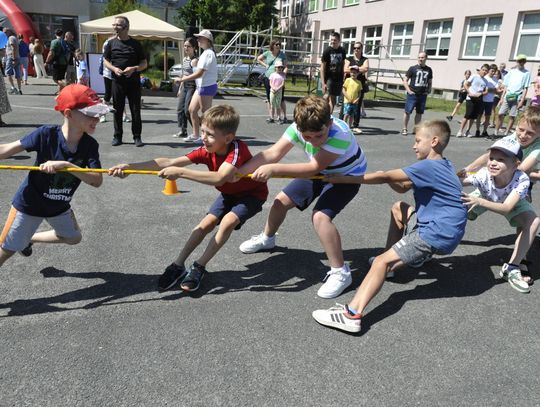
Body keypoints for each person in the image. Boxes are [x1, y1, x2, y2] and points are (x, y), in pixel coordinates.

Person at [312, 120, 467, 333]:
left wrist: (344, 179)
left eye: (418, 141)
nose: (414, 146)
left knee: (380, 263)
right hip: (447, 230)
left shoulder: (427, 166)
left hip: (435, 232)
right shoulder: (444, 165)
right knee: (398, 208)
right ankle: (391, 268)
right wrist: (388, 177)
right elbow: (401, 188)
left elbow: (384, 177)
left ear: (434, 141)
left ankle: (352, 314)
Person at [108, 105, 268, 293]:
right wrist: (130, 167)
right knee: (204, 225)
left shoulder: (237, 149)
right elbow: (169, 162)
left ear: (228, 138)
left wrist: (181, 173)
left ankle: (199, 267)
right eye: (202, 131)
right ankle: (178, 265)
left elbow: (219, 177)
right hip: (229, 194)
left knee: (227, 222)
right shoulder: (206, 150)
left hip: (251, 195)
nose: (203, 137)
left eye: (210, 134)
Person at [238, 95, 367, 299]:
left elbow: (312, 167)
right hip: (318, 172)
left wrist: (273, 169)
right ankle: (267, 239)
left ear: (330, 123)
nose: (314, 141)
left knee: (320, 217)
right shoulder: (297, 128)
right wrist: (237, 172)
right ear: (299, 128)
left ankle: (341, 272)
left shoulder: (340, 134)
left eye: (319, 135)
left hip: (346, 176)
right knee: (280, 201)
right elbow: (272, 153)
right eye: (307, 137)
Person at [0, 84, 108, 268]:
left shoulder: (90, 145)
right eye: (90, 113)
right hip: (29, 204)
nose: (96, 118)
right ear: (68, 114)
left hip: (58, 206)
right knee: (6, 250)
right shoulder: (46, 134)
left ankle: (30, 238)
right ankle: (22, 239)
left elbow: (96, 180)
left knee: (73, 237)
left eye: (98, 113)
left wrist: (66, 166)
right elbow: (7, 149)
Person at [461, 138, 539, 294]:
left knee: (533, 221)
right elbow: (461, 181)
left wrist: (480, 202)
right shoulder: (484, 174)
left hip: (511, 202)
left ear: (516, 164)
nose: (493, 163)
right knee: (455, 208)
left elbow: (506, 208)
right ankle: (428, 245)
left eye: (501, 159)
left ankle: (512, 268)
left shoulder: (521, 179)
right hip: (485, 195)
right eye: (491, 158)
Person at [103, 15, 147, 147]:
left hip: (133, 82)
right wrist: (114, 68)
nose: (115, 27)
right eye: (114, 25)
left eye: (118, 25)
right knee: (117, 110)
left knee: (135, 110)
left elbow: (144, 63)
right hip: (117, 82)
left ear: (126, 27)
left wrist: (134, 68)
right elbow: (105, 60)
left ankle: (137, 137)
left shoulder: (136, 44)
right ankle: (117, 136)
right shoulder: (110, 43)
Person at [175, 29, 217, 143]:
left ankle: (207, 136)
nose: (197, 39)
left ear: (207, 40)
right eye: (198, 37)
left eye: (200, 38)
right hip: (201, 87)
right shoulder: (205, 53)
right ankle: (196, 134)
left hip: (207, 87)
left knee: (206, 113)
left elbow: (199, 73)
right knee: (191, 110)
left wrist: (182, 79)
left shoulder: (209, 53)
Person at [495, 55, 530, 137]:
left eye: (523, 61)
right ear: (517, 61)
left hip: (517, 97)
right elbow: (506, 86)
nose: (521, 62)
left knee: (512, 115)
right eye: (519, 61)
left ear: (525, 62)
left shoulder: (526, 73)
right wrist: (502, 98)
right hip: (507, 96)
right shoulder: (512, 72)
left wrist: (522, 100)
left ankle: (506, 133)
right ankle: (496, 132)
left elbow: (525, 88)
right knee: (500, 113)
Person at [258, 39, 289, 123]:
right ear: (272, 45)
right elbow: (258, 58)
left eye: (279, 44)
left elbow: (286, 66)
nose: (278, 46)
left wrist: (284, 74)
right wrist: (265, 65)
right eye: (276, 44)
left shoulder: (282, 55)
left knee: (281, 98)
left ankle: (284, 116)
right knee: (269, 97)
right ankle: (271, 117)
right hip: (269, 77)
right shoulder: (268, 53)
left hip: (279, 79)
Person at [402, 52, 432, 136]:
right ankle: (404, 128)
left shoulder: (429, 69)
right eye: (419, 57)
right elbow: (405, 80)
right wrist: (408, 90)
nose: (420, 59)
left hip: (422, 95)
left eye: (422, 57)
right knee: (407, 112)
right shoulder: (412, 68)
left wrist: (429, 89)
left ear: (426, 58)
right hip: (413, 94)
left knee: (419, 113)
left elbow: (430, 81)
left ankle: (416, 129)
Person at [173, 37, 198, 138]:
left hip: (192, 86)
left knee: (187, 110)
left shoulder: (195, 61)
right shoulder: (185, 59)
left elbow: (196, 76)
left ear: (194, 48)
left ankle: (195, 132)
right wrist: (180, 88)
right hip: (184, 86)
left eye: (189, 46)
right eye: (185, 46)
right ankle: (183, 130)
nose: (186, 48)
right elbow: (183, 74)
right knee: (180, 109)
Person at [342, 41, 369, 133]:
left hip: (359, 84)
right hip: (349, 85)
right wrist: (358, 68)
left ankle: (355, 125)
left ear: (361, 49)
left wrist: (353, 68)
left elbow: (365, 69)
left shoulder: (365, 59)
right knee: (345, 106)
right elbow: (345, 69)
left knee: (357, 106)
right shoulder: (348, 58)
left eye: (358, 48)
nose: (356, 50)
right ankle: (342, 125)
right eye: (354, 48)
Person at [456, 64, 489, 138]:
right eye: (483, 70)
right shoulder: (474, 76)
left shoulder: (486, 81)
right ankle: (460, 131)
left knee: (473, 117)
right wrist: (469, 93)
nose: (484, 71)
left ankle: (467, 131)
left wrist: (480, 94)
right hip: (470, 98)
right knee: (467, 115)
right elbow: (465, 84)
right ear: (480, 70)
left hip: (479, 99)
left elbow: (486, 92)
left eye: (486, 71)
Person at [320, 32, 347, 113]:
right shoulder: (327, 51)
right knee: (326, 96)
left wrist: (344, 78)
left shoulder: (342, 51)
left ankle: (328, 117)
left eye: (334, 40)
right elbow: (322, 68)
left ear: (339, 40)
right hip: (329, 78)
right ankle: (320, 111)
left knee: (333, 100)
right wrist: (323, 83)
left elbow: (344, 64)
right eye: (331, 40)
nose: (332, 41)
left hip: (338, 79)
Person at [4, 29, 22, 95]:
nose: (4, 33)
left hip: (11, 57)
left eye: (5, 32)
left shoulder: (11, 38)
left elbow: (13, 48)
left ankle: (13, 88)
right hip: (17, 57)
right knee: (17, 74)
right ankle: (19, 89)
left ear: (10, 32)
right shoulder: (15, 38)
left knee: (8, 73)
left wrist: (13, 58)